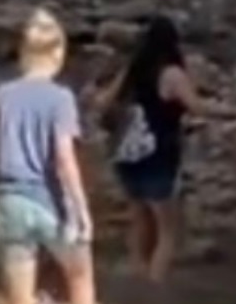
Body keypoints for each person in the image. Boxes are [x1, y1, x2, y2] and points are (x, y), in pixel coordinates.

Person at [0, 8, 96, 304]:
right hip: (48, 201)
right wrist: (82, 210)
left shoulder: (3, 95)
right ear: (58, 53)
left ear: (22, 52)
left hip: (9, 201)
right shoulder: (60, 99)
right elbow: (64, 158)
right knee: (80, 277)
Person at [95, 14, 228, 285]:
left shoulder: (131, 70)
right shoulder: (171, 74)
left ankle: (137, 279)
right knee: (168, 231)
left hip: (126, 153)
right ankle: (156, 290)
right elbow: (197, 107)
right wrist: (227, 110)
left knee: (140, 220)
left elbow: (102, 102)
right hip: (158, 154)